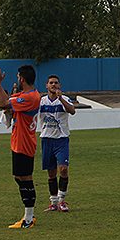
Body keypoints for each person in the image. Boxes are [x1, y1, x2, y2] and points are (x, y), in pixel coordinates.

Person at [0, 63, 41, 229]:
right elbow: (5, 100)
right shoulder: (25, 94)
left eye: (18, 77)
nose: (17, 80)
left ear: (22, 79)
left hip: (24, 142)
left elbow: (2, 103)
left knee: (25, 178)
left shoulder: (29, 97)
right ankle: (28, 216)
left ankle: (29, 218)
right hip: (19, 141)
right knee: (19, 177)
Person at [38, 74, 77, 212]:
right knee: (51, 173)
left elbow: (72, 111)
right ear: (46, 86)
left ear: (59, 85)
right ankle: (53, 202)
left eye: (55, 83)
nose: (53, 85)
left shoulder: (64, 99)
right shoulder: (41, 101)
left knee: (63, 169)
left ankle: (62, 200)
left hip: (61, 139)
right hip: (47, 139)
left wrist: (60, 98)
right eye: (51, 83)